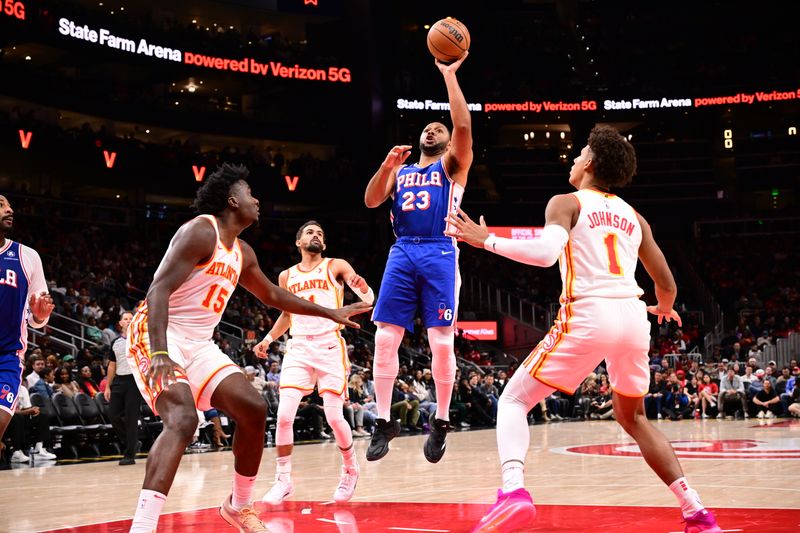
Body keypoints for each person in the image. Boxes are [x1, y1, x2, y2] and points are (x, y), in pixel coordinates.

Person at [447, 126, 722, 533]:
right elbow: (666, 283)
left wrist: (486, 240)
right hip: (633, 317)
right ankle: (696, 511)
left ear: (590, 164)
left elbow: (544, 255)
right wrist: (664, 308)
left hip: (590, 313)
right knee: (635, 418)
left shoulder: (567, 202)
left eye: (578, 154)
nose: (573, 160)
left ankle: (513, 493)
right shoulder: (635, 217)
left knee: (513, 401)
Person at [124, 165, 370, 533]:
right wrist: (158, 352)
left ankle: (239, 506)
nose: (257, 200)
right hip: (158, 332)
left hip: (200, 344)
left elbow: (273, 295)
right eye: (250, 193)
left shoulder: (243, 252)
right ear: (232, 199)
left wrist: (329, 311)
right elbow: (158, 290)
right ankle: (142, 526)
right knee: (183, 419)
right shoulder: (200, 231)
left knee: (254, 409)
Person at [363, 52, 473, 464]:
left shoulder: (453, 165)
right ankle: (383, 420)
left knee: (440, 343)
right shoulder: (403, 171)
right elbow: (372, 199)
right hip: (403, 250)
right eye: (427, 126)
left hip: (440, 249)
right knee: (384, 338)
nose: (432, 129)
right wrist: (387, 165)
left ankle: (441, 421)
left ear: (446, 141)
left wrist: (448, 76)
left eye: (437, 127)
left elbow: (462, 124)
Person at [255, 220, 375, 505]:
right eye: (310, 232)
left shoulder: (335, 265)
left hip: (330, 345)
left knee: (334, 416)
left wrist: (363, 292)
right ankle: (283, 480)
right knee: (284, 416)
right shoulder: (286, 276)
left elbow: (367, 301)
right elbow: (287, 314)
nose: (316, 235)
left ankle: (350, 470)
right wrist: (268, 340)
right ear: (299, 242)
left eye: (320, 233)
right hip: (298, 347)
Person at [0, 194, 54, 453]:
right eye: (1, 205)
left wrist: (40, 314)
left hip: (7, 356)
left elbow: (36, 321)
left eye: (9, 206)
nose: (9, 210)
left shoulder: (27, 256)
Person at [105, 311, 142, 465]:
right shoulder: (115, 342)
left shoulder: (140, 340)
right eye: (125, 319)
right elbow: (112, 365)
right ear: (120, 323)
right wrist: (108, 386)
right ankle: (132, 442)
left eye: (130, 319)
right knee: (113, 415)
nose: (128, 321)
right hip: (119, 381)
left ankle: (129, 454)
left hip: (135, 381)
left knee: (131, 418)